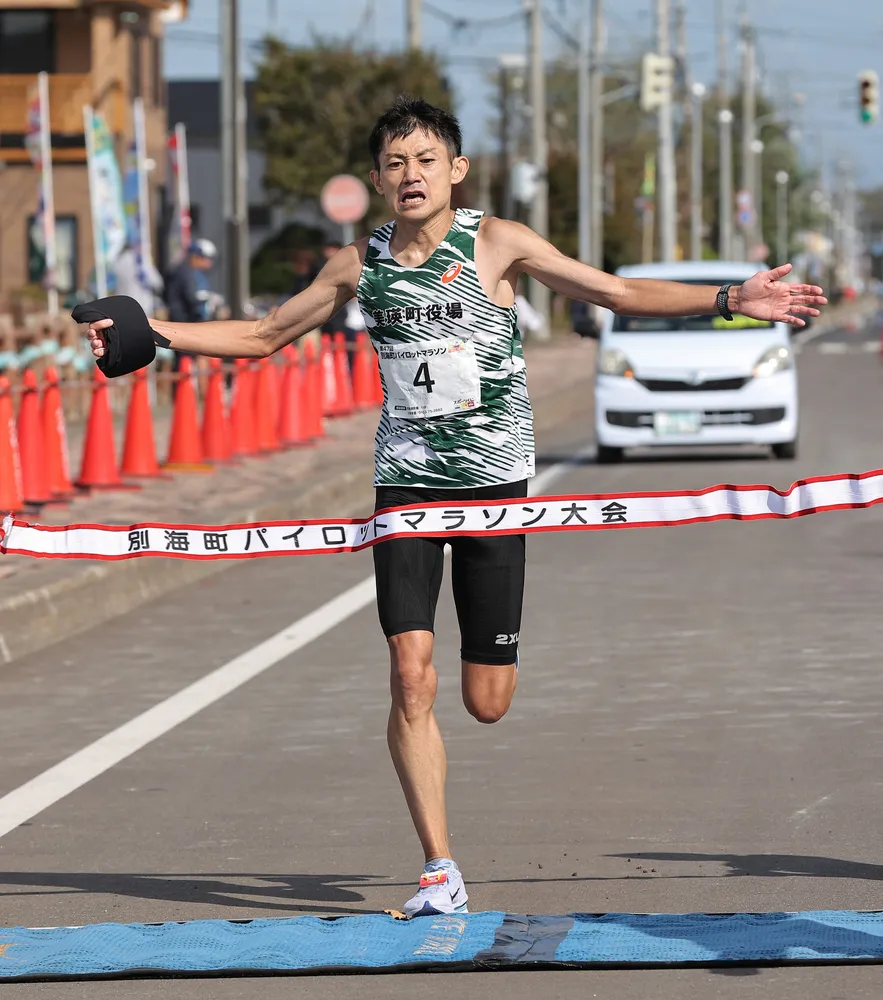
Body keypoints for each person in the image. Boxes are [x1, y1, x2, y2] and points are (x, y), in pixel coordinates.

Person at [83, 95, 826, 919]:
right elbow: (263, 336)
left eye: (426, 160)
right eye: (395, 163)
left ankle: (478, 715)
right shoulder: (357, 264)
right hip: (405, 487)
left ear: (455, 170)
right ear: (377, 180)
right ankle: (439, 867)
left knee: (486, 700)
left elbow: (613, 291)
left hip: (495, 489)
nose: (411, 175)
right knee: (410, 677)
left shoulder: (497, 243)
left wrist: (729, 298)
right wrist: (154, 332)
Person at [164, 239, 218, 369]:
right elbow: (193, 299)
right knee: (191, 361)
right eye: (206, 258)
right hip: (185, 324)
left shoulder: (196, 274)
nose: (209, 262)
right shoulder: (186, 273)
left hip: (190, 324)